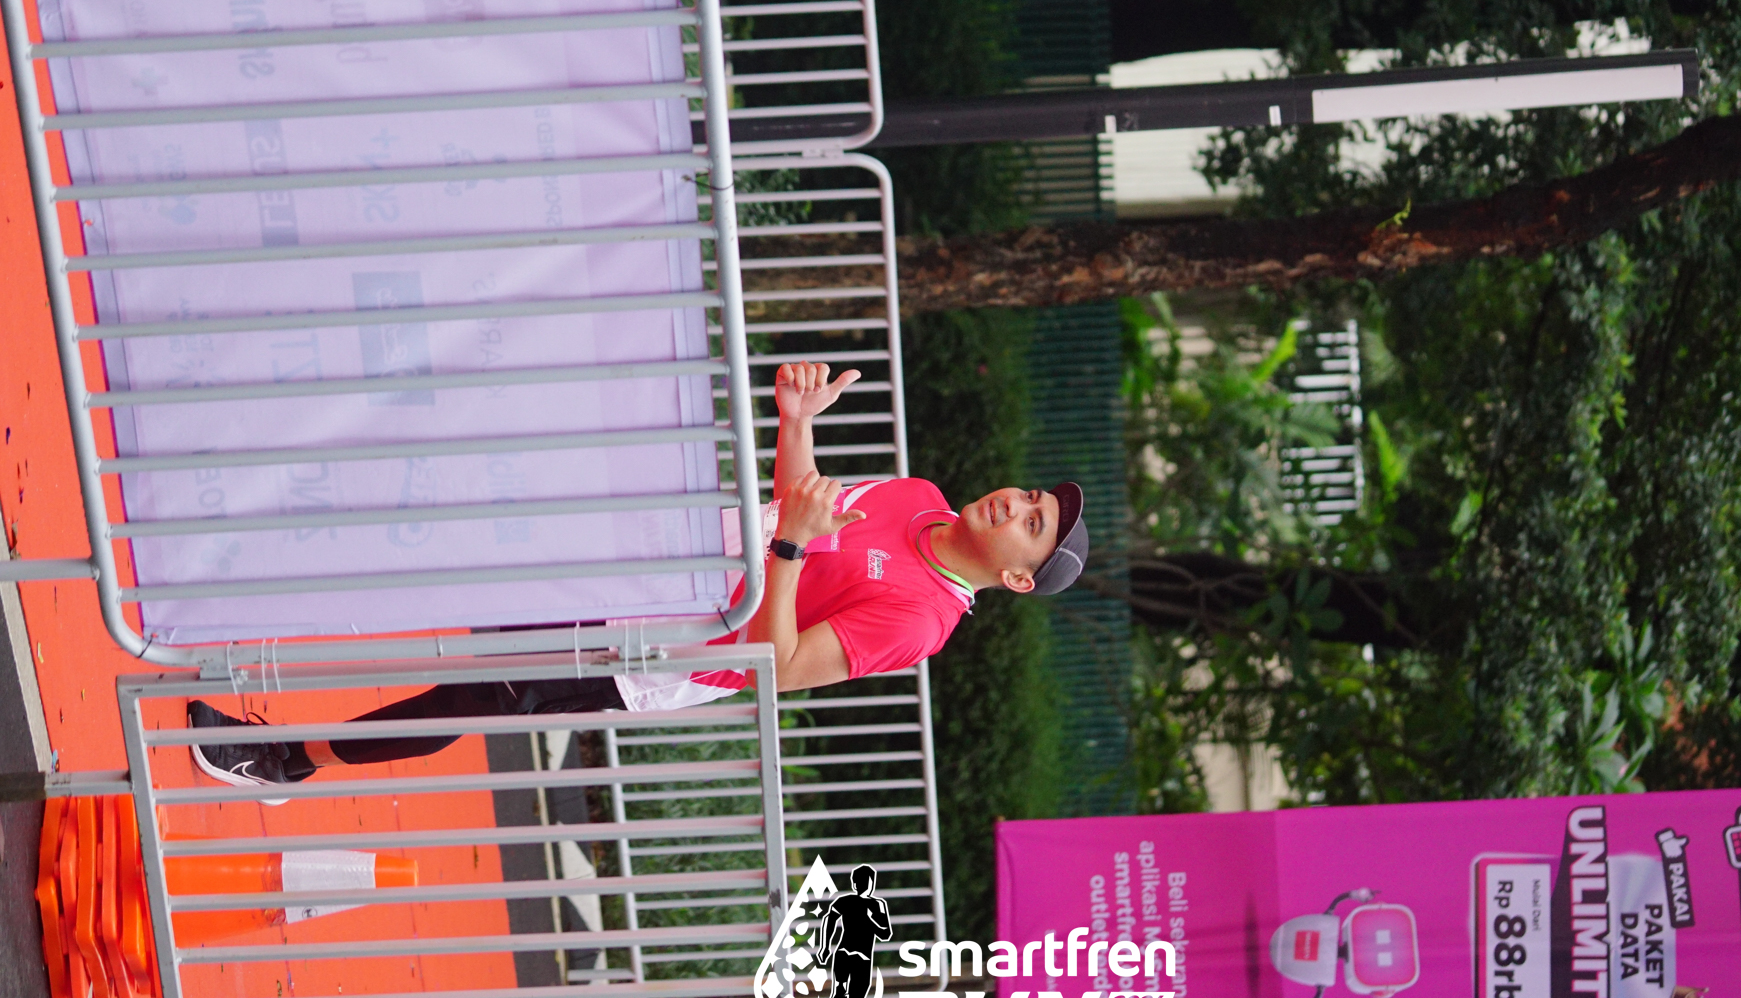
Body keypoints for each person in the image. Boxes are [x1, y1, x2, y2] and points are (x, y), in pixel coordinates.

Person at [187, 361, 1089, 798]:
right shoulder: (920, 496)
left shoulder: (921, 622)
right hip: (654, 561)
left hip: (654, 653)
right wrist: (796, 422)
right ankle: (243, 612)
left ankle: (286, 759)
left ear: (1017, 578)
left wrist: (787, 553)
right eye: (1030, 495)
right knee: (460, 576)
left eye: (1033, 523)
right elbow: (800, 505)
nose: (1016, 503)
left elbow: (776, 667)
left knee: (465, 697)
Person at [819, 863, 891, 998]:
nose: (863, 885)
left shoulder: (877, 904)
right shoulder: (845, 901)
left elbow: (885, 934)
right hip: (845, 953)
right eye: (859, 881)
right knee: (838, 990)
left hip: (862, 958)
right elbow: (829, 919)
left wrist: (869, 920)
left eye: (865, 881)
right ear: (854, 883)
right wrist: (825, 946)